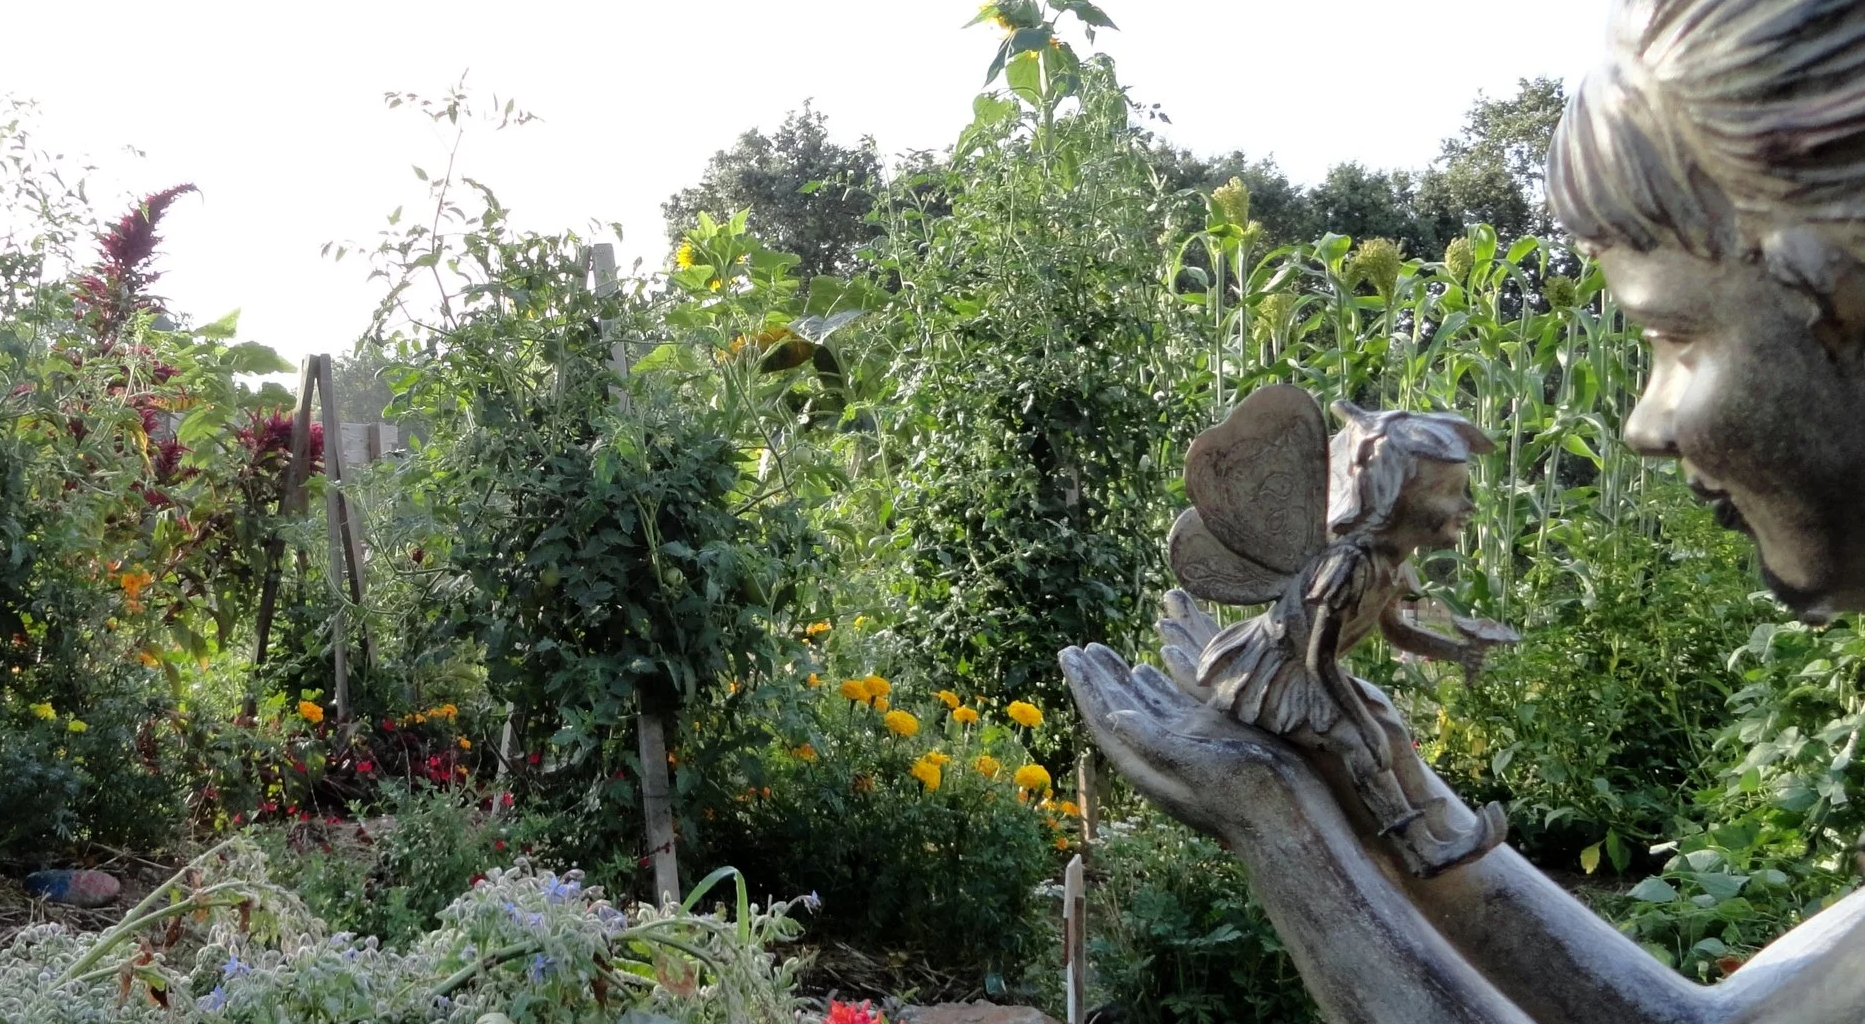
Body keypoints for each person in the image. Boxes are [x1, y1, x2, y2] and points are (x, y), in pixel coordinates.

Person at [1063, 1, 1865, 1020]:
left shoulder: (1370, 571)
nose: (1640, 424)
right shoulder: (1344, 570)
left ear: (1835, 287)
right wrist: (1335, 768)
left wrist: (1280, 829)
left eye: (1675, 337)